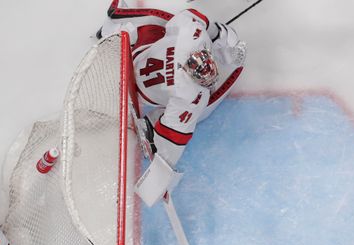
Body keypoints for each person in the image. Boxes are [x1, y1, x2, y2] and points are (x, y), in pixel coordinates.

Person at [97, 0, 247, 171]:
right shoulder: (190, 95)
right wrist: (162, 168)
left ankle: (113, 30)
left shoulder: (191, 36)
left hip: (136, 57)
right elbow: (172, 138)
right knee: (200, 111)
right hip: (140, 95)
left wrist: (215, 34)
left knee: (158, 29)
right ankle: (150, 127)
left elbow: (190, 16)